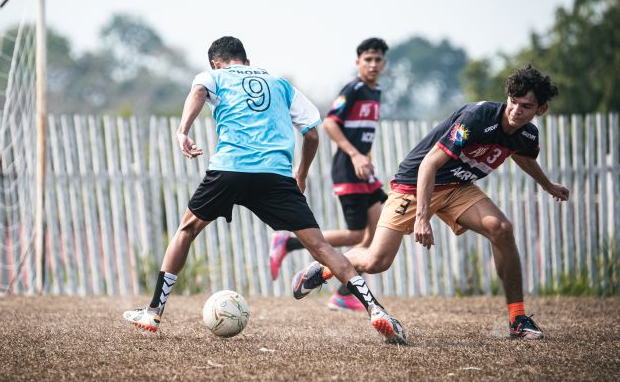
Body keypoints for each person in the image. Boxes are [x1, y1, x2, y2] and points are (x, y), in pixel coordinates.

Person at [122, 36, 407, 345]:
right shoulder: (280, 84)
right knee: (322, 248)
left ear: (216, 62)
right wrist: (301, 173)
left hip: (229, 169)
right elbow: (312, 133)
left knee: (186, 230)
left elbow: (199, 91)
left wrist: (183, 131)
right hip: (276, 176)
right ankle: (376, 309)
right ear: (245, 59)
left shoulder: (213, 76)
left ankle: (153, 311)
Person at [292, 64, 569, 340]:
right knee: (377, 261)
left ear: (540, 109)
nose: (516, 110)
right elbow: (429, 164)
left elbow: (521, 154)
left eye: (526, 106)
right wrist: (422, 218)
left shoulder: (527, 134)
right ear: (507, 96)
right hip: (414, 184)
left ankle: (518, 319)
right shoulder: (478, 118)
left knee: (501, 228)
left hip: (457, 188)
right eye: (513, 102)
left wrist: (547, 185)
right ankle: (326, 267)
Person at [269, 38, 389, 312]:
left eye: (377, 60)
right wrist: (356, 155)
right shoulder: (355, 89)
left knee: (373, 235)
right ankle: (288, 242)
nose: (372, 64)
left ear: (384, 63)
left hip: (365, 172)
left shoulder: (376, 91)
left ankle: (343, 295)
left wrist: (366, 159)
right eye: (367, 59)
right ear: (358, 62)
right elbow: (331, 124)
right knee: (357, 234)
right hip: (348, 169)